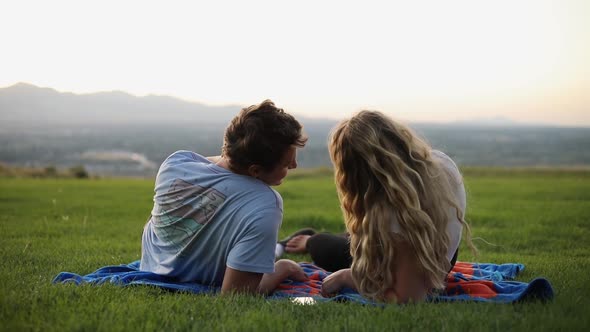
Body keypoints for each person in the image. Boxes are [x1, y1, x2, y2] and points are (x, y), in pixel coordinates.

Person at [279, 110, 475, 303]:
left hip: (416, 270)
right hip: (443, 258)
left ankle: (307, 241)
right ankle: (308, 239)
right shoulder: (443, 164)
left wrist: (348, 277)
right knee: (354, 236)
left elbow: (406, 298)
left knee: (322, 244)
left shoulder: (393, 214)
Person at [140, 99, 308, 295]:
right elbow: (236, 295)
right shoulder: (266, 204)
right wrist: (284, 268)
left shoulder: (176, 163)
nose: (295, 165)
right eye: (287, 165)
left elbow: (220, 164)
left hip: (149, 270)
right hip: (196, 281)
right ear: (255, 170)